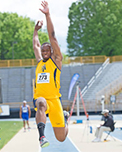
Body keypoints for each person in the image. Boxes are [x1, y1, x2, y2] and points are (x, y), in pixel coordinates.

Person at [33, 1, 69, 148]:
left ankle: (65, 119)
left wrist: (47, 15)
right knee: (40, 102)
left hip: (55, 101)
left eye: (47, 50)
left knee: (61, 138)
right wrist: (35, 31)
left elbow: (52, 37)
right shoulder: (40, 62)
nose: (44, 52)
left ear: (52, 52)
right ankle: (41, 136)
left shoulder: (56, 61)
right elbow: (36, 44)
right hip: (42, 99)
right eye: (43, 51)